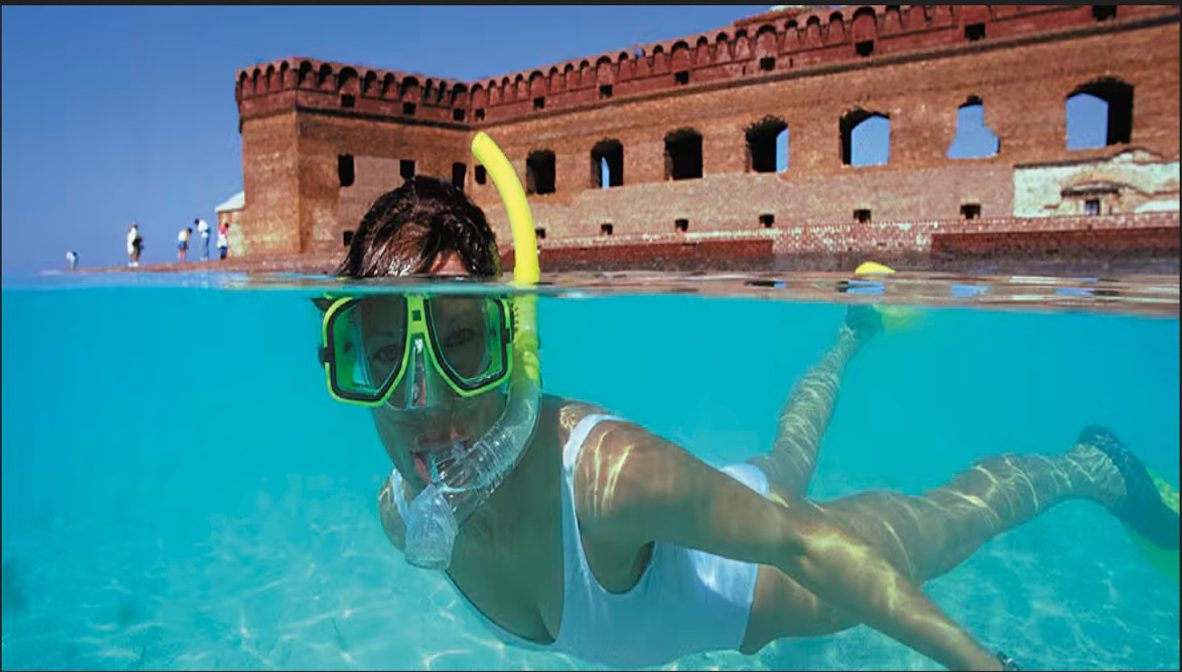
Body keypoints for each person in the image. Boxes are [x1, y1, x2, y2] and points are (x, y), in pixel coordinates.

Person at [318, 169, 1178, 671]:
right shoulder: (399, 513)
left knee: (960, 516)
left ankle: (1090, 468)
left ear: (510, 340)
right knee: (784, 455)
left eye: (462, 345)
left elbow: (801, 547)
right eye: (377, 354)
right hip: (727, 500)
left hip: (777, 589)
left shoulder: (608, 482)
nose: (420, 399)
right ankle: (851, 334)